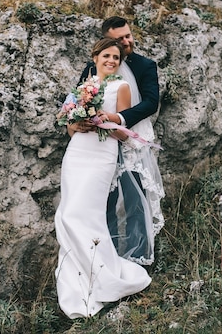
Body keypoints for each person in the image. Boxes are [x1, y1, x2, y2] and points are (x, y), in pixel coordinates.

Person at [55, 38, 151, 319]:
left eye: (116, 58)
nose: (111, 61)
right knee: (68, 213)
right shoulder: (82, 88)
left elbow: (123, 131)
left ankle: (106, 278)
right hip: (77, 153)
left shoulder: (121, 87)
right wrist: (80, 122)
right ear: (95, 57)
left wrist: (105, 120)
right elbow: (69, 128)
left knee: (86, 215)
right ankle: (75, 283)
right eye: (107, 55)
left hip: (102, 155)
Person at [70, 16, 165, 265]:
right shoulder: (93, 68)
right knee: (105, 198)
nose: (126, 42)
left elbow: (150, 103)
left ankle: (140, 257)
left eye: (128, 35)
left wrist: (117, 119)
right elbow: (76, 99)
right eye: (119, 39)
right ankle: (107, 259)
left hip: (132, 138)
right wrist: (77, 121)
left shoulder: (145, 65)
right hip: (100, 144)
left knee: (135, 197)